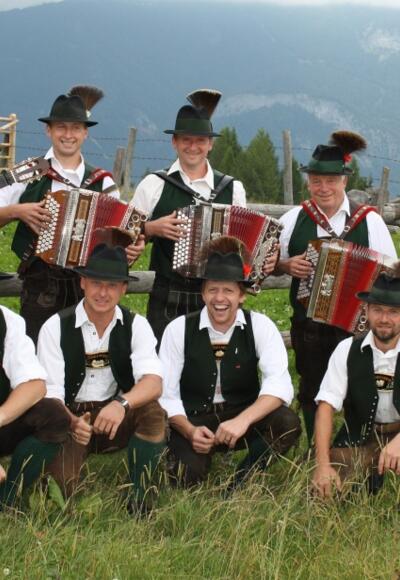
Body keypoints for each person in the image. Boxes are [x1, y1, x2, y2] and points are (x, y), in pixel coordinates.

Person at [277, 131, 397, 444]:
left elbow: (391, 270)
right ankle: (316, 449)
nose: (323, 188)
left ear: (344, 180)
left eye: (331, 180)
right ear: (308, 182)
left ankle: (356, 447)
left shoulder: (368, 221)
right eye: (316, 181)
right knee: (311, 389)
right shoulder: (295, 218)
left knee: (359, 387)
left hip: (357, 325)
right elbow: (267, 261)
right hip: (309, 324)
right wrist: (286, 266)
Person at [0, 86, 144, 343]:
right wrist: (16, 211)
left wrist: (131, 248)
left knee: (83, 355)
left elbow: (123, 232)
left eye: (76, 128)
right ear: (49, 130)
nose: (68, 135)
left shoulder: (103, 181)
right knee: (37, 354)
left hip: (88, 289)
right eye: (61, 127)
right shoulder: (27, 171)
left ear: (85, 133)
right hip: (40, 288)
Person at [159, 236, 301, 489]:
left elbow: (279, 385)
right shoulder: (178, 329)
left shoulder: (260, 326)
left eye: (228, 290)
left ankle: (243, 478)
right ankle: (194, 458)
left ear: (241, 295)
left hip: (241, 414)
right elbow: (166, 394)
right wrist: (189, 431)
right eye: (213, 289)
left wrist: (243, 420)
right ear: (203, 293)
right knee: (186, 479)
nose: (219, 298)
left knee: (287, 423)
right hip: (194, 419)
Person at [37, 244, 165, 514]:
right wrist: (72, 421)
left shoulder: (136, 325)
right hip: (69, 417)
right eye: (96, 283)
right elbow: (50, 393)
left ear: (124, 289)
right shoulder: (55, 327)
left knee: (152, 412)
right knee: (61, 493)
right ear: (82, 282)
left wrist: (121, 404)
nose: (103, 293)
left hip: (113, 414)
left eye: (112, 285)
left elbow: (153, 382)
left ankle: (140, 496)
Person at [132, 89, 247, 343]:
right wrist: (151, 228)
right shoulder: (154, 184)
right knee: (162, 360)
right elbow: (124, 236)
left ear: (210, 144)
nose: (193, 147)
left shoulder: (233, 189)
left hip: (217, 297)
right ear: (174, 142)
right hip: (167, 294)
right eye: (186, 140)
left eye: (200, 141)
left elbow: (244, 243)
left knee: (213, 361)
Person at [312, 273, 400, 498]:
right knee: (321, 494)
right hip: (362, 436)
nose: (384, 319)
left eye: (393, 311)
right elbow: (326, 406)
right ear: (366, 311)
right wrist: (323, 465)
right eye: (377, 310)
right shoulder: (347, 349)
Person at [0, 271, 70, 509]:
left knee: (53, 415)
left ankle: (8, 497)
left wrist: (1, 416)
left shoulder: (7, 322)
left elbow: (35, 385)